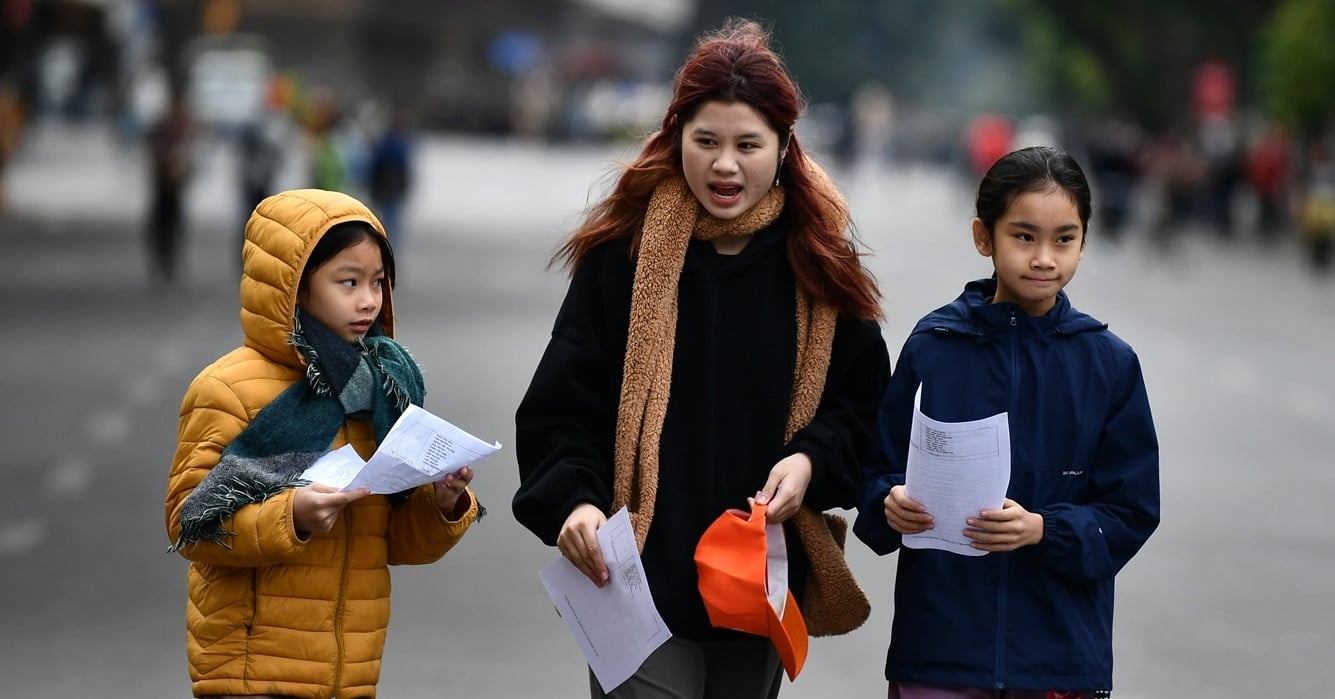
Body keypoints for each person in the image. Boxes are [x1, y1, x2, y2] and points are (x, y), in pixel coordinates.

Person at [512, 19, 890, 699]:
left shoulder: (818, 267)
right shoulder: (620, 260)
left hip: (754, 583)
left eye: (748, 144)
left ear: (783, 149)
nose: (724, 164)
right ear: (676, 137)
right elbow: (564, 404)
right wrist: (573, 501)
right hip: (635, 583)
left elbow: (862, 409)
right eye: (706, 141)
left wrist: (809, 460)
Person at [853, 146, 1160, 699]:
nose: (1044, 257)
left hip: (1059, 658)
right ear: (983, 236)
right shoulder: (935, 345)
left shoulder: (1109, 363)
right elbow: (878, 468)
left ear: (1084, 241)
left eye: (1064, 239)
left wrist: (1044, 529)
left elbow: (1131, 510)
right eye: (1024, 236)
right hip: (940, 653)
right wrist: (888, 503)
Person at [164, 189, 482, 699]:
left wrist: (441, 505)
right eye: (348, 282)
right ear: (294, 287)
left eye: (378, 282)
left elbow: (391, 541)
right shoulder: (227, 389)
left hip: (348, 672)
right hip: (248, 673)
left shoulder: (382, 388)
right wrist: (292, 517)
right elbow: (190, 526)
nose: (369, 300)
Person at [145, 91, 192, 288]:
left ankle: (169, 260)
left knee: (173, 224)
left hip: (174, 187)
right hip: (163, 184)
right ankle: (162, 259)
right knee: (162, 224)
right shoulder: (164, 130)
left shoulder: (180, 130)